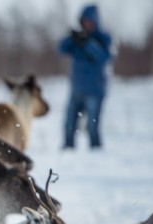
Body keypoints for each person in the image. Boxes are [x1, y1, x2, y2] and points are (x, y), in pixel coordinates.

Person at [58, 4, 113, 150]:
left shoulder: (103, 38)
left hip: (95, 90)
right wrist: (72, 38)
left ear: (95, 22)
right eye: (84, 22)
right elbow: (61, 48)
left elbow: (103, 57)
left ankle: (96, 150)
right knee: (69, 123)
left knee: (92, 125)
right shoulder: (76, 40)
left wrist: (87, 43)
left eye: (89, 21)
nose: (86, 25)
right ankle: (68, 150)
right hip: (76, 89)